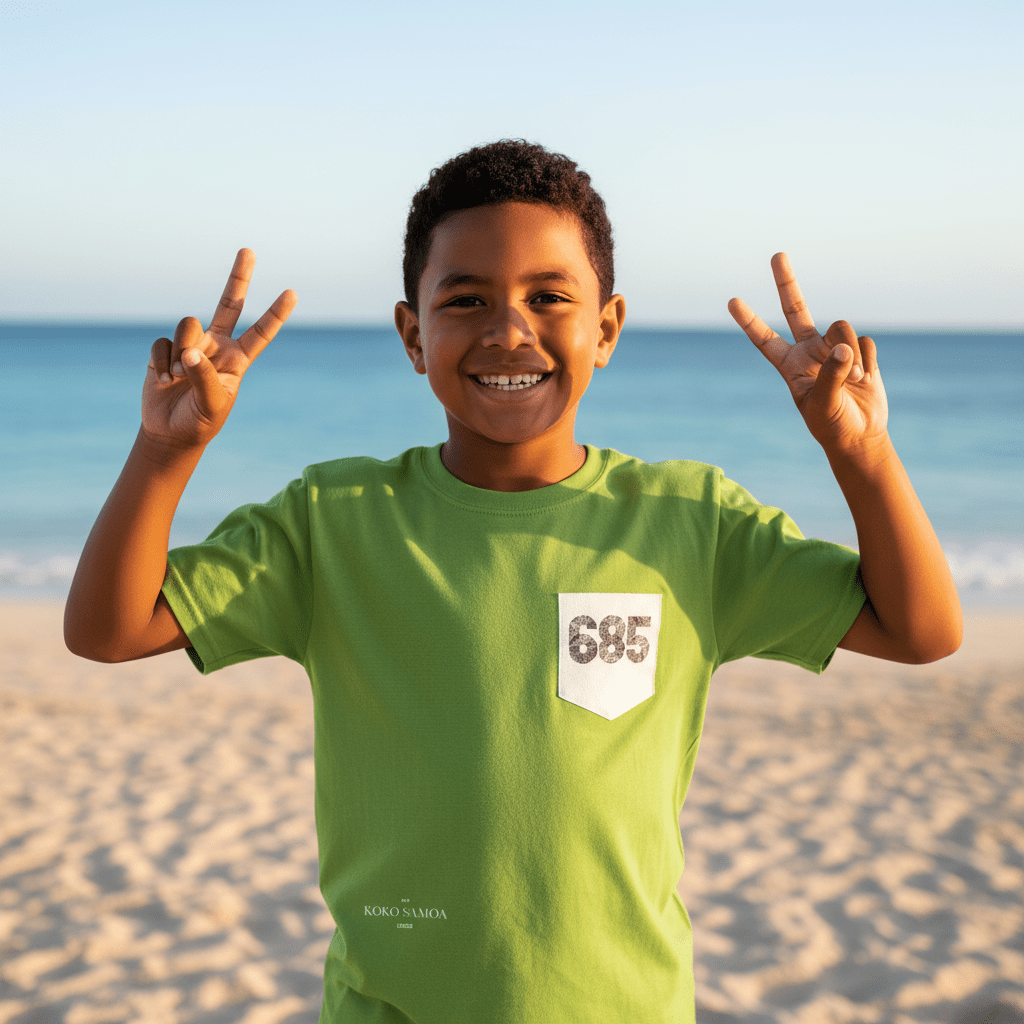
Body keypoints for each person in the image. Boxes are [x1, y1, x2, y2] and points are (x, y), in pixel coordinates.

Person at [64, 140, 962, 1024]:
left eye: (548, 297)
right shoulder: (334, 519)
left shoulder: (691, 521)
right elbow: (109, 631)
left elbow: (921, 630)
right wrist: (165, 451)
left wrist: (862, 455)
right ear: (414, 335)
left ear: (605, 328)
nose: (507, 330)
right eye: (465, 300)